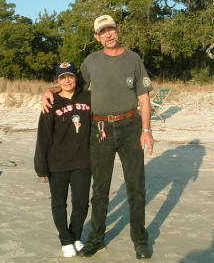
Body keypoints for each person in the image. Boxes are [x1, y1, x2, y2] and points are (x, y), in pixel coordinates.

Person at [42, 15, 154, 259]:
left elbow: (144, 98)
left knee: (136, 187)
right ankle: (96, 238)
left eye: (111, 29)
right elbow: (70, 85)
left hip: (130, 126)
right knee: (100, 188)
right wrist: (48, 90)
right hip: (100, 128)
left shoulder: (134, 59)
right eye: (102, 32)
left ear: (118, 30)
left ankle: (140, 238)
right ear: (96, 37)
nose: (108, 35)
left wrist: (146, 131)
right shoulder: (91, 61)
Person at [34, 62, 92, 258]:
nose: (67, 80)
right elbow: (43, 136)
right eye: (62, 77)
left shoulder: (88, 97)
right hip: (57, 162)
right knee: (59, 203)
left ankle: (75, 236)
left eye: (70, 76)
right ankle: (65, 240)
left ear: (76, 77)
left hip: (83, 161)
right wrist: (41, 167)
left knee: (82, 204)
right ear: (57, 80)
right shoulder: (51, 102)